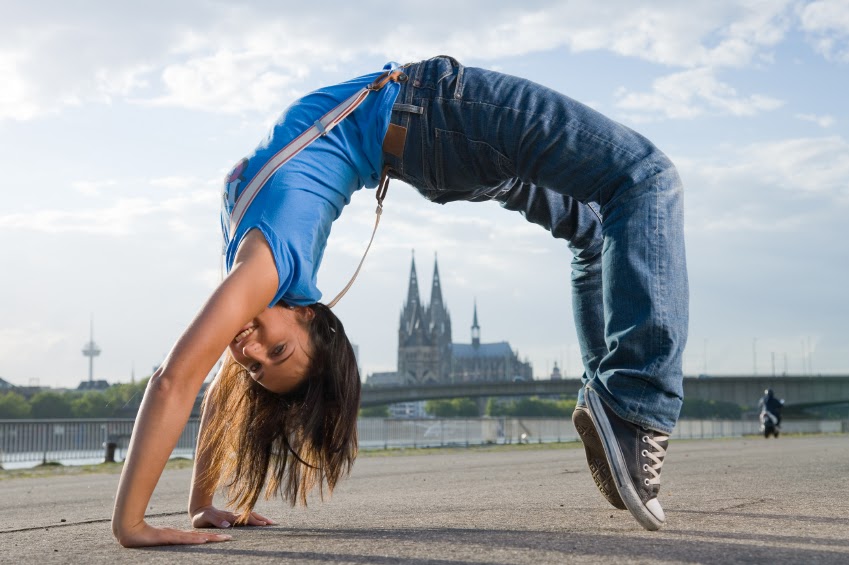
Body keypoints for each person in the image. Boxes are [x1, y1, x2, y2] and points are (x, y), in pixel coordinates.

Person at [110, 55, 688, 547]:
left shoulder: (252, 279)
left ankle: (605, 403)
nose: (249, 350)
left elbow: (208, 386)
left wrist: (201, 502)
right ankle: (636, 408)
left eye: (264, 358)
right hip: (436, 115)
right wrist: (131, 524)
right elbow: (172, 381)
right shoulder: (269, 268)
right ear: (309, 316)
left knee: (591, 233)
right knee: (645, 175)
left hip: (430, 149)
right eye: (271, 357)